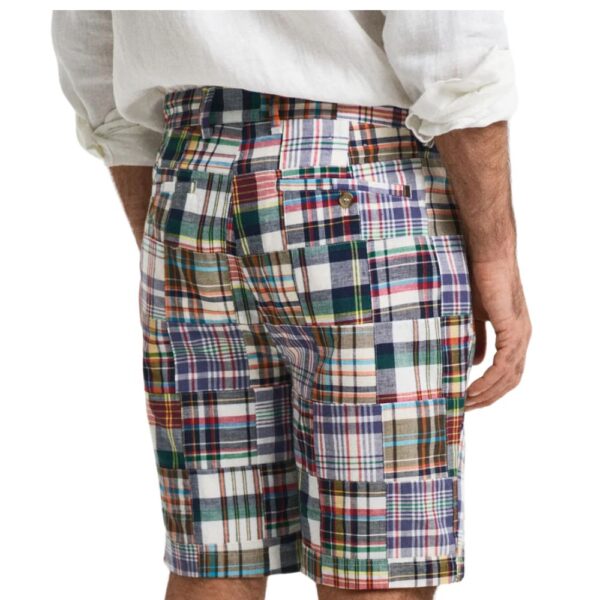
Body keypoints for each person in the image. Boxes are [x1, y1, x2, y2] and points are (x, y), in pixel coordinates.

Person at [51, 10, 531, 600]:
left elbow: (90, 51)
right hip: (358, 179)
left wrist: (172, 233)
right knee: (374, 558)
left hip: (189, 176)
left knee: (217, 553)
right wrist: (495, 254)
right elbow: (451, 43)